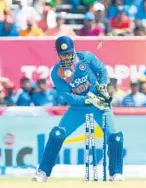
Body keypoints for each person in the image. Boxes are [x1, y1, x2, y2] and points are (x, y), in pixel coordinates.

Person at [32, 36, 124, 182]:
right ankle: (43, 172)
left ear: (73, 50)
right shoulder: (57, 72)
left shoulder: (86, 57)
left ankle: (116, 173)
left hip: (101, 106)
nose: (66, 57)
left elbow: (101, 71)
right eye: (63, 55)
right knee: (57, 134)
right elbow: (68, 97)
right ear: (57, 54)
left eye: (68, 53)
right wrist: (88, 100)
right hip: (78, 109)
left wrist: (102, 87)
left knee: (115, 137)